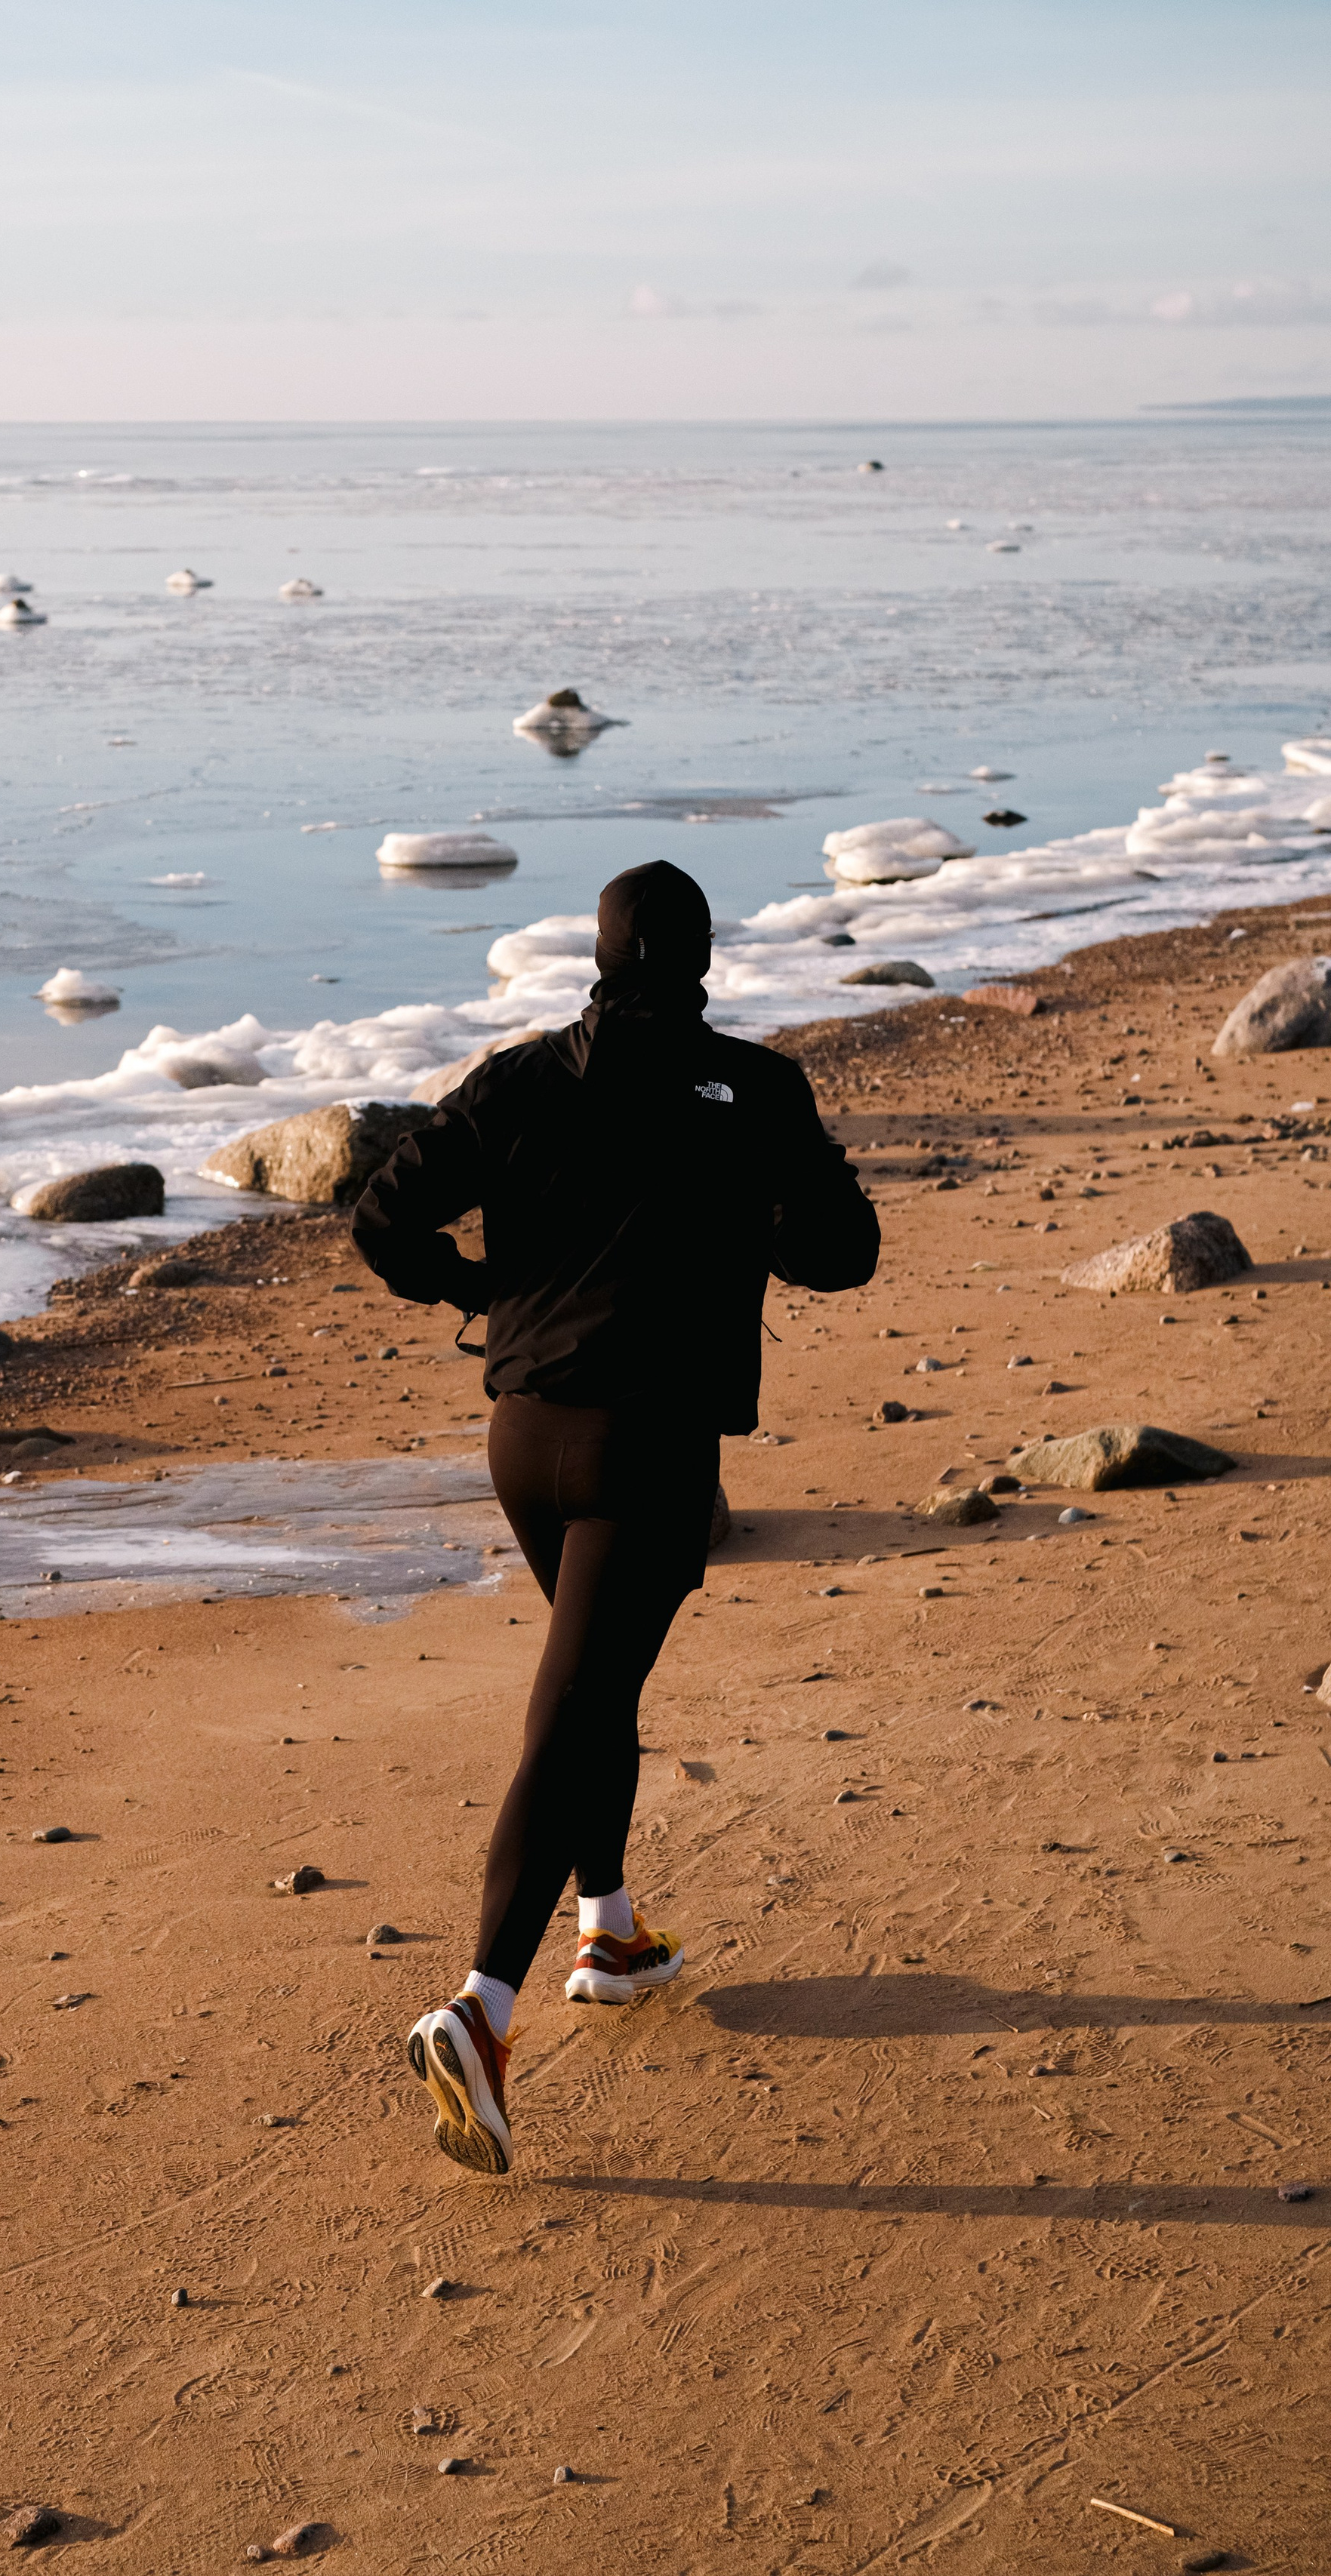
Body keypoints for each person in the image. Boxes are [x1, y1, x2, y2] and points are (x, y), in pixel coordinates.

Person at [350, 860, 880, 2175]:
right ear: (703, 958)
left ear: (597, 954)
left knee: (601, 1679)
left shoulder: (522, 1078)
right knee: (579, 1705)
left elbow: (379, 1219)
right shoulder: (757, 1090)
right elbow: (844, 1251)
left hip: (523, 1441)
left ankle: (612, 1929)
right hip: (649, 1455)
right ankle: (480, 2008)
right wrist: (756, 1217)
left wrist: (469, 1279)